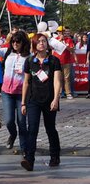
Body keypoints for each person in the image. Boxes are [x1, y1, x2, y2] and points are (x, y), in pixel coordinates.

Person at [21, 33, 63, 169]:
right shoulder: (29, 61)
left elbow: (57, 81)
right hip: (33, 100)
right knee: (32, 129)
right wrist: (23, 102)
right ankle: (29, 159)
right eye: (38, 41)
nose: (41, 43)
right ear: (34, 44)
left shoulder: (54, 61)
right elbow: (26, 82)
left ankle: (55, 156)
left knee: (50, 129)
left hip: (49, 99)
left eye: (44, 41)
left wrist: (56, 99)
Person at [1, 31, 31, 157]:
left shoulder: (29, 57)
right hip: (7, 91)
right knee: (8, 120)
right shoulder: (8, 53)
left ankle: (24, 148)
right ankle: (12, 134)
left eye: (18, 41)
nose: (15, 44)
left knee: (22, 122)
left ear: (23, 42)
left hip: (21, 93)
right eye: (13, 41)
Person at [51, 28, 75, 99]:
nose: (61, 34)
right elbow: (51, 48)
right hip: (57, 61)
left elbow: (72, 50)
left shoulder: (69, 40)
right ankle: (59, 92)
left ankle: (68, 93)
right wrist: (59, 41)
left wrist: (64, 44)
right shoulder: (54, 39)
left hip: (66, 61)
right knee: (58, 78)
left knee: (66, 78)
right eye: (59, 32)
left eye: (62, 32)